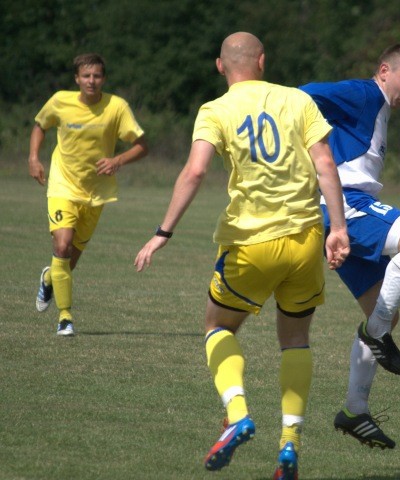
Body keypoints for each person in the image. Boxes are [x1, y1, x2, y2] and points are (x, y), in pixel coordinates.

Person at [133, 32, 349, 479]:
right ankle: (289, 442)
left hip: (252, 244)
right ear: (263, 61)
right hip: (306, 238)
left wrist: (162, 232)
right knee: (295, 339)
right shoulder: (298, 101)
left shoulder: (215, 110)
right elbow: (325, 164)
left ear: (219, 66)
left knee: (217, 325)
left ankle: (237, 414)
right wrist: (339, 229)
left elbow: (195, 171)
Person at [300, 43, 400, 449]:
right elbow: (305, 91)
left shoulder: (375, 108)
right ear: (384, 70)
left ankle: (354, 412)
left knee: (386, 315)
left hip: (339, 216)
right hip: (347, 206)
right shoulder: (366, 93)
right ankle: (375, 335)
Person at [29, 53, 148, 336]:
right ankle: (65, 318)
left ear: (103, 79)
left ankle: (48, 276)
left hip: (96, 193)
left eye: (96, 76)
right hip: (62, 185)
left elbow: (142, 144)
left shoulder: (116, 107)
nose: (91, 81)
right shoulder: (60, 101)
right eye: (86, 76)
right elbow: (40, 126)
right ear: (77, 79)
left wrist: (118, 161)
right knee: (62, 245)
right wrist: (34, 157)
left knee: (69, 261)